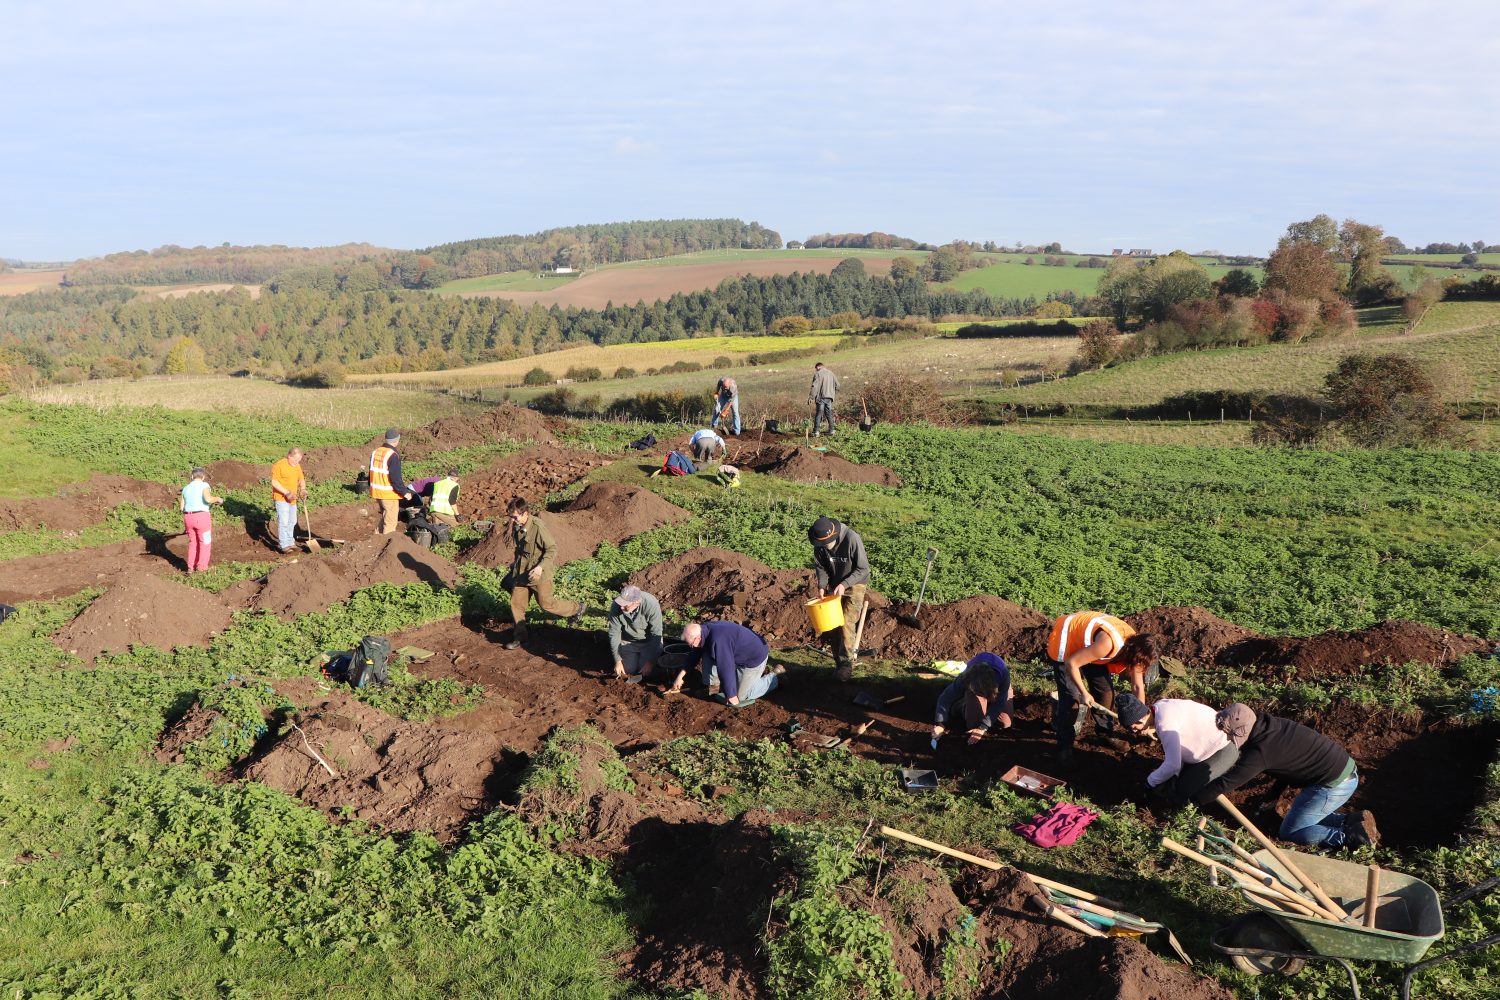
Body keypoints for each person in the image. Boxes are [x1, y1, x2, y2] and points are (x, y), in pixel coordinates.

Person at [1194, 703, 1379, 849]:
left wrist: (1193, 800)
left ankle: (1351, 836)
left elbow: (1226, 783)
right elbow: (1287, 765)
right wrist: (1274, 795)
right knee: (1299, 815)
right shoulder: (1274, 726)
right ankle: (1350, 820)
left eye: (1229, 734)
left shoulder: (1259, 753)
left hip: (1334, 784)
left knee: (1291, 831)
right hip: (1342, 769)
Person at [1047, 611, 1159, 761]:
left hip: (1089, 647)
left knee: (1105, 692)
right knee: (1071, 699)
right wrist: (1084, 693)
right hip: (1067, 640)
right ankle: (1064, 746)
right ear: (1131, 655)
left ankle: (1105, 734)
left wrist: (1141, 717)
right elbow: (1072, 663)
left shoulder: (1139, 651)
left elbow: (1138, 687)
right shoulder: (1107, 644)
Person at [1115, 694, 1238, 805]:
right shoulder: (1160, 706)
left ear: (1141, 718)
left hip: (1222, 749)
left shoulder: (1165, 724)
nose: (1134, 732)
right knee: (1170, 782)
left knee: (1181, 793)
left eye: (1134, 728)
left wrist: (1147, 783)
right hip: (1203, 747)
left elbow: (1173, 764)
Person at [502, 496, 587, 649]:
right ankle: (520, 637)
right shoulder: (517, 526)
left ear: (525, 513)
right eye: (511, 517)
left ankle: (577, 608)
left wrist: (540, 567)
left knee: (546, 604)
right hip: (522, 572)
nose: (513, 520)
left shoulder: (538, 528)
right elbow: (520, 550)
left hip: (539, 574)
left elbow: (552, 549)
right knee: (517, 604)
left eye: (515, 517)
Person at [808, 516, 869, 681]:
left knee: (847, 621)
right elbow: (820, 566)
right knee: (832, 623)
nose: (824, 548)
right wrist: (822, 586)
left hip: (855, 583)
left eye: (826, 544)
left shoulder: (851, 538)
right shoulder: (819, 543)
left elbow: (863, 569)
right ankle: (839, 662)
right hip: (835, 584)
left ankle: (847, 664)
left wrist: (845, 584)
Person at [671, 621, 782, 707]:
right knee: (704, 651)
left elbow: (725, 667)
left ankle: (775, 678)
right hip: (736, 654)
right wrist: (680, 676)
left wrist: (731, 695)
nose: (692, 647)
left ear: (698, 637)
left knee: (741, 696)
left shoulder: (718, 640)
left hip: (753, 659)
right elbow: (695, 654)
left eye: (691, 644)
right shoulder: (704, 631)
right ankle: (714, 688)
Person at [931, 653, 1014, 747]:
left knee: (1005, 723)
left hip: (997, 684)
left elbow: (999, 703)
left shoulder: (1003, 675)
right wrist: (940, 723)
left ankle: (982, 708)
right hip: (975, 686)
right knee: (973, 724)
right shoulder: (967, 677)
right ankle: (961, 705)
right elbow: (945, 698)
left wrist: (983, 727)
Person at [608, 585, 663, 682]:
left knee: (645, 672)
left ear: (637, 603)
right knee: (628, 670)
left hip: (648, 642)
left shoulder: (651, 604)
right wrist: (617, 660)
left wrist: (650, 662)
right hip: (628, 641)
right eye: (621, 603)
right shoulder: (616, 606)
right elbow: (614, 633)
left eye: (626, 604)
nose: (621, 606)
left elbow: (656, 634)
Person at [369, 429, 415, 535]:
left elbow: (371, 472)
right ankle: (386, 545)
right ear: (397, 440)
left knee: (386, 516)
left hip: (376, 491)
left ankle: (375, 540)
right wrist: (404, 492)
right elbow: (395, 479)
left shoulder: (376, 452)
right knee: (390, 522)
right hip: (388, 494)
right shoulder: (392, 455)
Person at [179, 467, 225, 573]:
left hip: (188, 518)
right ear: (203, 477)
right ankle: (201, 567)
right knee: (205, 542)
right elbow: (208, 499)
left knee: (192, 542)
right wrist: (218, 499)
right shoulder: (204, 485)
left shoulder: (185, 488)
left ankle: (190, 567)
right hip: (201, 517)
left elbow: (181, 507)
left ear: (191, 477)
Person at [269, 447, 307, 553]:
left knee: (292, 521)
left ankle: (291, 542)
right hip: (281, 499)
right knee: (284, 522)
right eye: (295, 460)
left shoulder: (297, 466)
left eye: (298, 461)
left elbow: (301, 479)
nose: (296, 463)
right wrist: (286, 492)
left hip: (292, 500)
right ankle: (284, 545)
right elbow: (274, 482)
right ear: (289, 456)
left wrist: (303, 489)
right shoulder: (279, 465)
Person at [810, 362, 839, 436]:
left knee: (819, 413)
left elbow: (814, 386)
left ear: (818, 367)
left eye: (816, 369)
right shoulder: (831, 373)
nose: (816, 370)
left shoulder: (818, 374)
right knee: (829, 413)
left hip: (821, 397)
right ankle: (832, 430)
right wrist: (832, 392)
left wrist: (811, 397)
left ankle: (816, 431)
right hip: (829, 397)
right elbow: (838, 385)